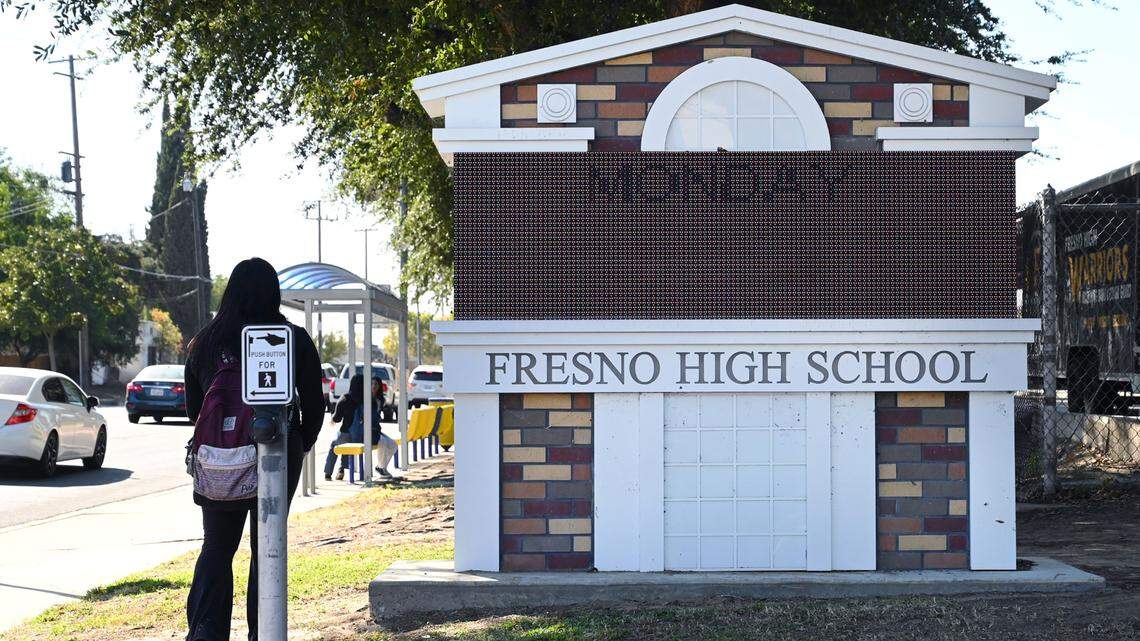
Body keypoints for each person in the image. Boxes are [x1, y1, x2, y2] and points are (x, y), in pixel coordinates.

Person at [183, 258, 324, 641]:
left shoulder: (204, 343)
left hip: (219, 460)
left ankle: (206, 632)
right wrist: (299, 442)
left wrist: (224, 439)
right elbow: (315, 403)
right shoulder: (291, 338)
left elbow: (195, 411)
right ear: (273, 293)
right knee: (268, 545)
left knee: (217, 546)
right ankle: (263, 632)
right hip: (278, 452)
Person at [324, 374, 396, 480]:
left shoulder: (345, 398)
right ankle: (342, 468)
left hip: (346, 433)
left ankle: (329, 472)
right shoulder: (369, 400)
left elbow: (337, 419)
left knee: (335, 445)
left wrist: (333, 418)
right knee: (349, 443)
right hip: (363, 436)